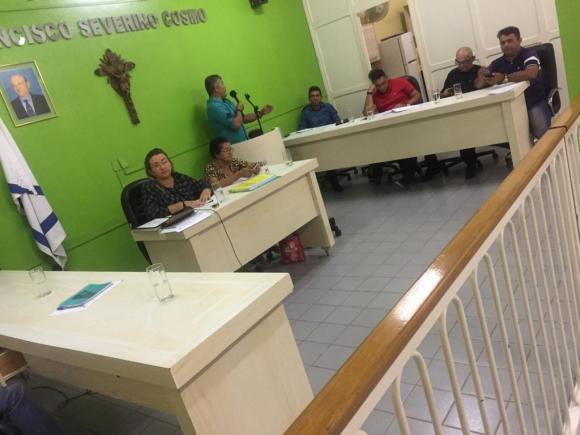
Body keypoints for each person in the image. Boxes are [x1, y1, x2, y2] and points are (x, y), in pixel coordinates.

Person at [364, 69, 442, 185]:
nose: (382, 87)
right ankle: (409, 171)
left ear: (387, 77)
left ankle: (427, 167)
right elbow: (367, 113)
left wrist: (406, 104)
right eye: (378, 85)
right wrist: (369, 93)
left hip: (409, 120)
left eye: (383, 83)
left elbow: (417, 95)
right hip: (391, 126)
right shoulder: (374, 93)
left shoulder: (400, 82)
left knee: (417, 136)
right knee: (395, 141)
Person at [482, 26, 551, 140]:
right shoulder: (497, 63)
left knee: (542, 135)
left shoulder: (529, 54)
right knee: (504, 134)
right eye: (503, 42)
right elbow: (479, 84)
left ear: (519, 40)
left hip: (533, 101)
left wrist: (504, 78)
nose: (506, 45)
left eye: (510, 41)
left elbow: (531, 73)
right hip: (509, 106)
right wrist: (482, 75)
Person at [440, 47, 487, 179]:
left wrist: (482, 76)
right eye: (458, 62)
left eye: (465, 61)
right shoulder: (453, 74)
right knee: (462, 130)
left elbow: (488, 88)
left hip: (480, 110)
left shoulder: (480, 70)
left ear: (472, 59)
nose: (462, 65)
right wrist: (445, 94)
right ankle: (470, 164)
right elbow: (443, 94)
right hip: (460, 114)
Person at [141, 148, 212, 221]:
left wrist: (206, 189)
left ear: (170, 163)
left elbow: (201, 183)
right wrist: (182, 205)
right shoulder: (149, 188)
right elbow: (153, 214)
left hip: (196, 216)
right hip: (174, 224)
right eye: (156, 166)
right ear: (150, 171)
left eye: (164, 162)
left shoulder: (179, 177)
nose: (162, 167)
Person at [298, 86, 344, 192]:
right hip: (316, 142)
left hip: (331, 138)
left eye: (317, 95)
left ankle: (334, 181)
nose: (315, 98)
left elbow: (338, 121)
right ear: (309, 98)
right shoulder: (306, 112)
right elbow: (301, 129)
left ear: (321, 97)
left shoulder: (328, 107)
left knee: (328, 152)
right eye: (312, 96)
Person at [205, 74, 273, 144]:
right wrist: (239, 110)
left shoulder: (226, 101)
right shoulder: (214, 107)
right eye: (222, 84)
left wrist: (261, 113)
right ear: (216, 88)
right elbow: (236, 124)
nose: (225, 87)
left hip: (244, 143)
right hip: (232, 147)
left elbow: (242, 119)